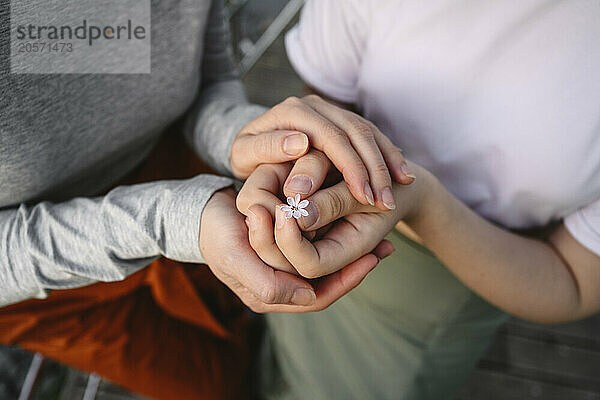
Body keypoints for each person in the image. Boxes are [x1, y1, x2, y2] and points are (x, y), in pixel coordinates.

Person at [0, 0, 414, 397]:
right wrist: (172, 222)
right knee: (206, 384)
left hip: (181, 174)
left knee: (239, 304)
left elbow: (206, 75)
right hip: (41, 270)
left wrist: (247, 138)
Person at [236, 0, 600, 398]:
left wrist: (422, 202)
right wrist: (321, 147)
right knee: (279, 355)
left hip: (466, 273)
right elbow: (329, 92)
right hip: (328, 221)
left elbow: (574, 281)